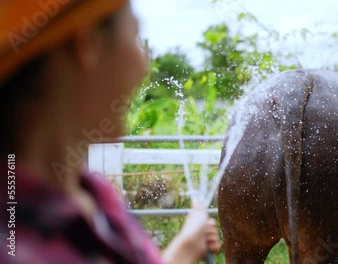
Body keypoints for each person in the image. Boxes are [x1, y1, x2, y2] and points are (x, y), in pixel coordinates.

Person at [0, 0, 221, 263]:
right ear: (86, 44)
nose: (144, 65)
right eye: (136, 36)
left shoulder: (94, 194)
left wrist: (185, 247)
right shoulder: (16, 249)